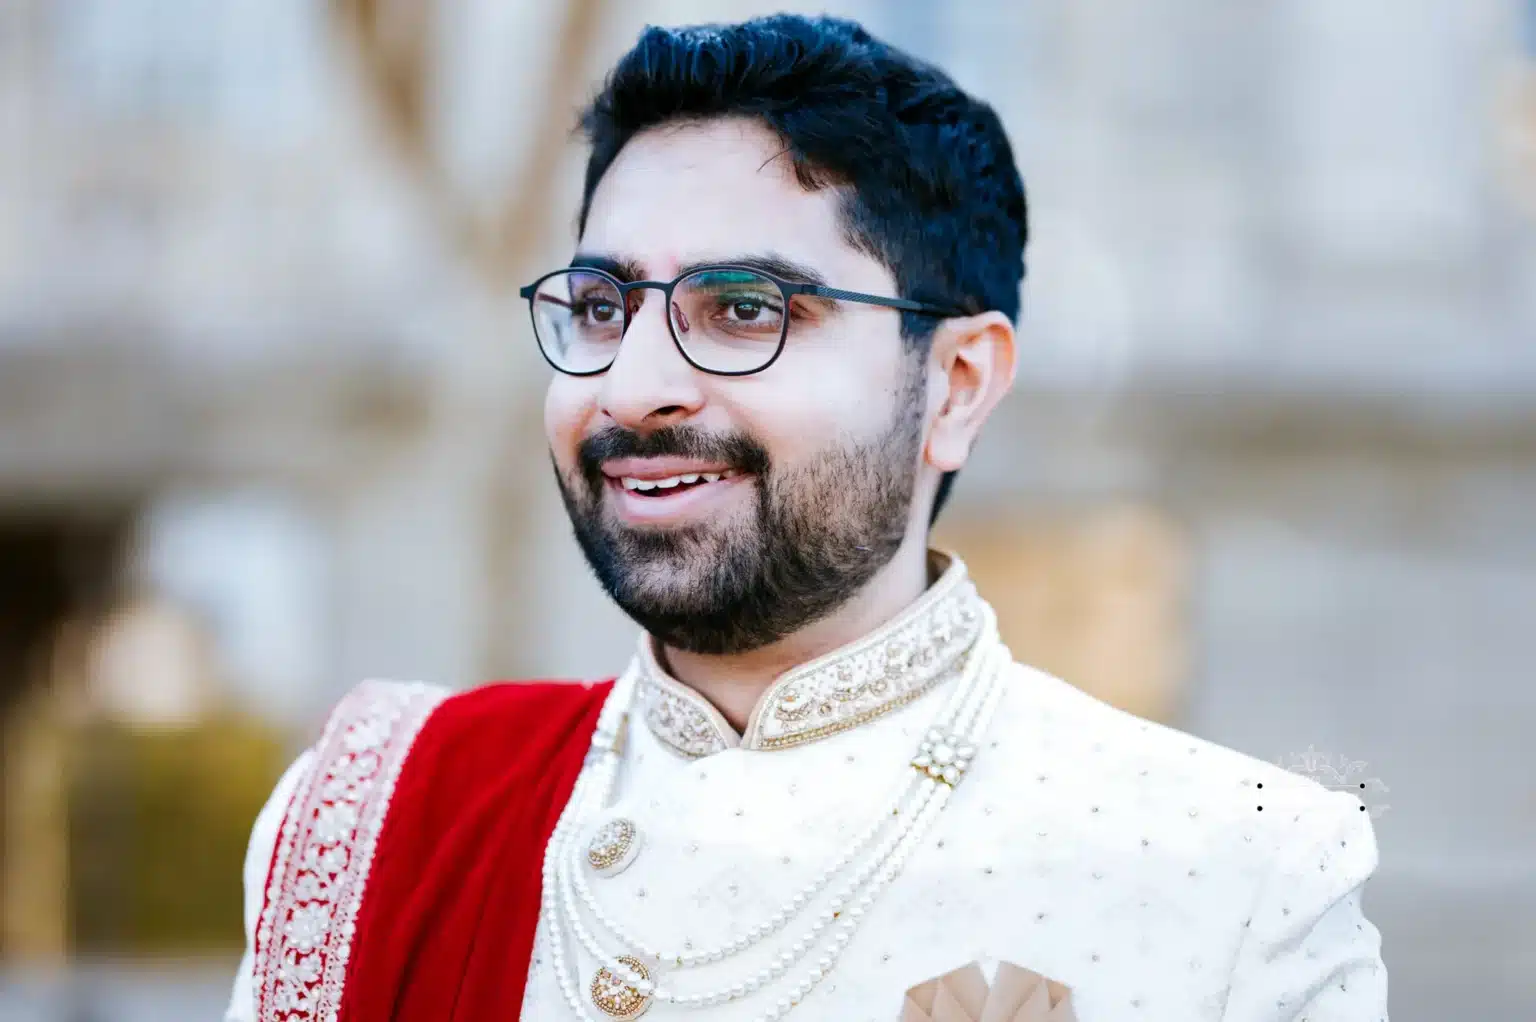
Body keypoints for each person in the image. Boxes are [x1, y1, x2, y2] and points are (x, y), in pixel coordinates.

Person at [225, 14, 1388, 1022]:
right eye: (597, 305)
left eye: (743, 309)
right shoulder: (380, 817)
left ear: (957, 384)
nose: (632, 386)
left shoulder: (1235, 880)